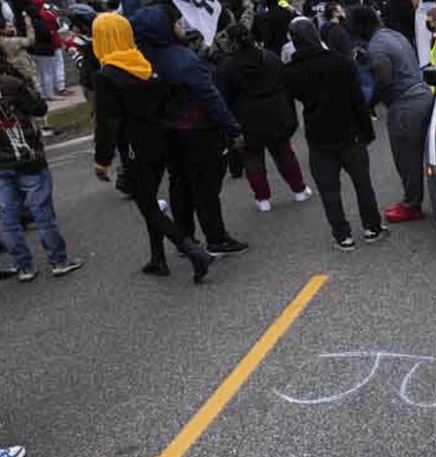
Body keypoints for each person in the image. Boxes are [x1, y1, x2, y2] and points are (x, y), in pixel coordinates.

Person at [92, 12, 214, 281]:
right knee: (150, 199)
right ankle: (158, 258)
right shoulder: (142, 63)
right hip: (160, 137)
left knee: (147, 204)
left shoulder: (107, 75)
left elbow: (108, 122)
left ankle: (192, 251)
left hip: (135, 146)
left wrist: (102, 159)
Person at [133, 3, 249, 256]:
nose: (182, 26)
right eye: (177, 23)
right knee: (206, 189)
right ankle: (216, 238)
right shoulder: (185, 61)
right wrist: (232, 128)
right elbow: (211, 98)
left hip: (165, 133)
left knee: (179, 186)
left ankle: (186, 239)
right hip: (198, 130)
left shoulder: (140, 59)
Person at [281, 17, 385, 250]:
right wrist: (367, 131)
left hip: (319, 136)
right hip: (350, 132)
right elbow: (357, 100)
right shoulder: (340, 63)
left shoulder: (291, 72)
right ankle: (372, 227)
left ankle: (342, 235)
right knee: (362, 183)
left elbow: (291, 101)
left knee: (329, 190)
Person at [0, 51, 82, 281]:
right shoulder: (10, 83)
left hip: (2, 162)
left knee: (9, 215)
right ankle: (58, 259)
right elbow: (39, 107)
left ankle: (24, 266)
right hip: (25, 153)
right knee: (41, 211)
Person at [348, 6, 432, 224]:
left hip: (405, 104)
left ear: (362, 26)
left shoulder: (377, 46)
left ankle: (411, 205)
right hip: (421, 95)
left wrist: (369, 104)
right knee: (418, 154)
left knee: (406, 158)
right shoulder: (393, 34)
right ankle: (414, 200)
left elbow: (384, 79)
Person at [216, 23, 312, 213]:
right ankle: (299, 190)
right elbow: (285, 82)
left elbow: (222, 96)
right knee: (284, 153)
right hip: (275, 114)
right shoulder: (269, 57)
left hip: (245, 119)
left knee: (253, 159)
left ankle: (263, 199)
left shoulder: (227, 66)